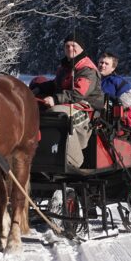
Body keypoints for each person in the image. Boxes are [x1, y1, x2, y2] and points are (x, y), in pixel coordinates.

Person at [32, 31, 105, 168]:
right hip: (68, 102)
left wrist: (55, 99)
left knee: (56, 112)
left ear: (81, 48)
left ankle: (74, 159)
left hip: (86, 107)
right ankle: (39, 152)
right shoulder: (65, 66)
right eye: (67, 46)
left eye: (73, 45)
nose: (70, 49)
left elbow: (78, 93)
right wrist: (37, 89)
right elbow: (55, 84)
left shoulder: (87, 69)